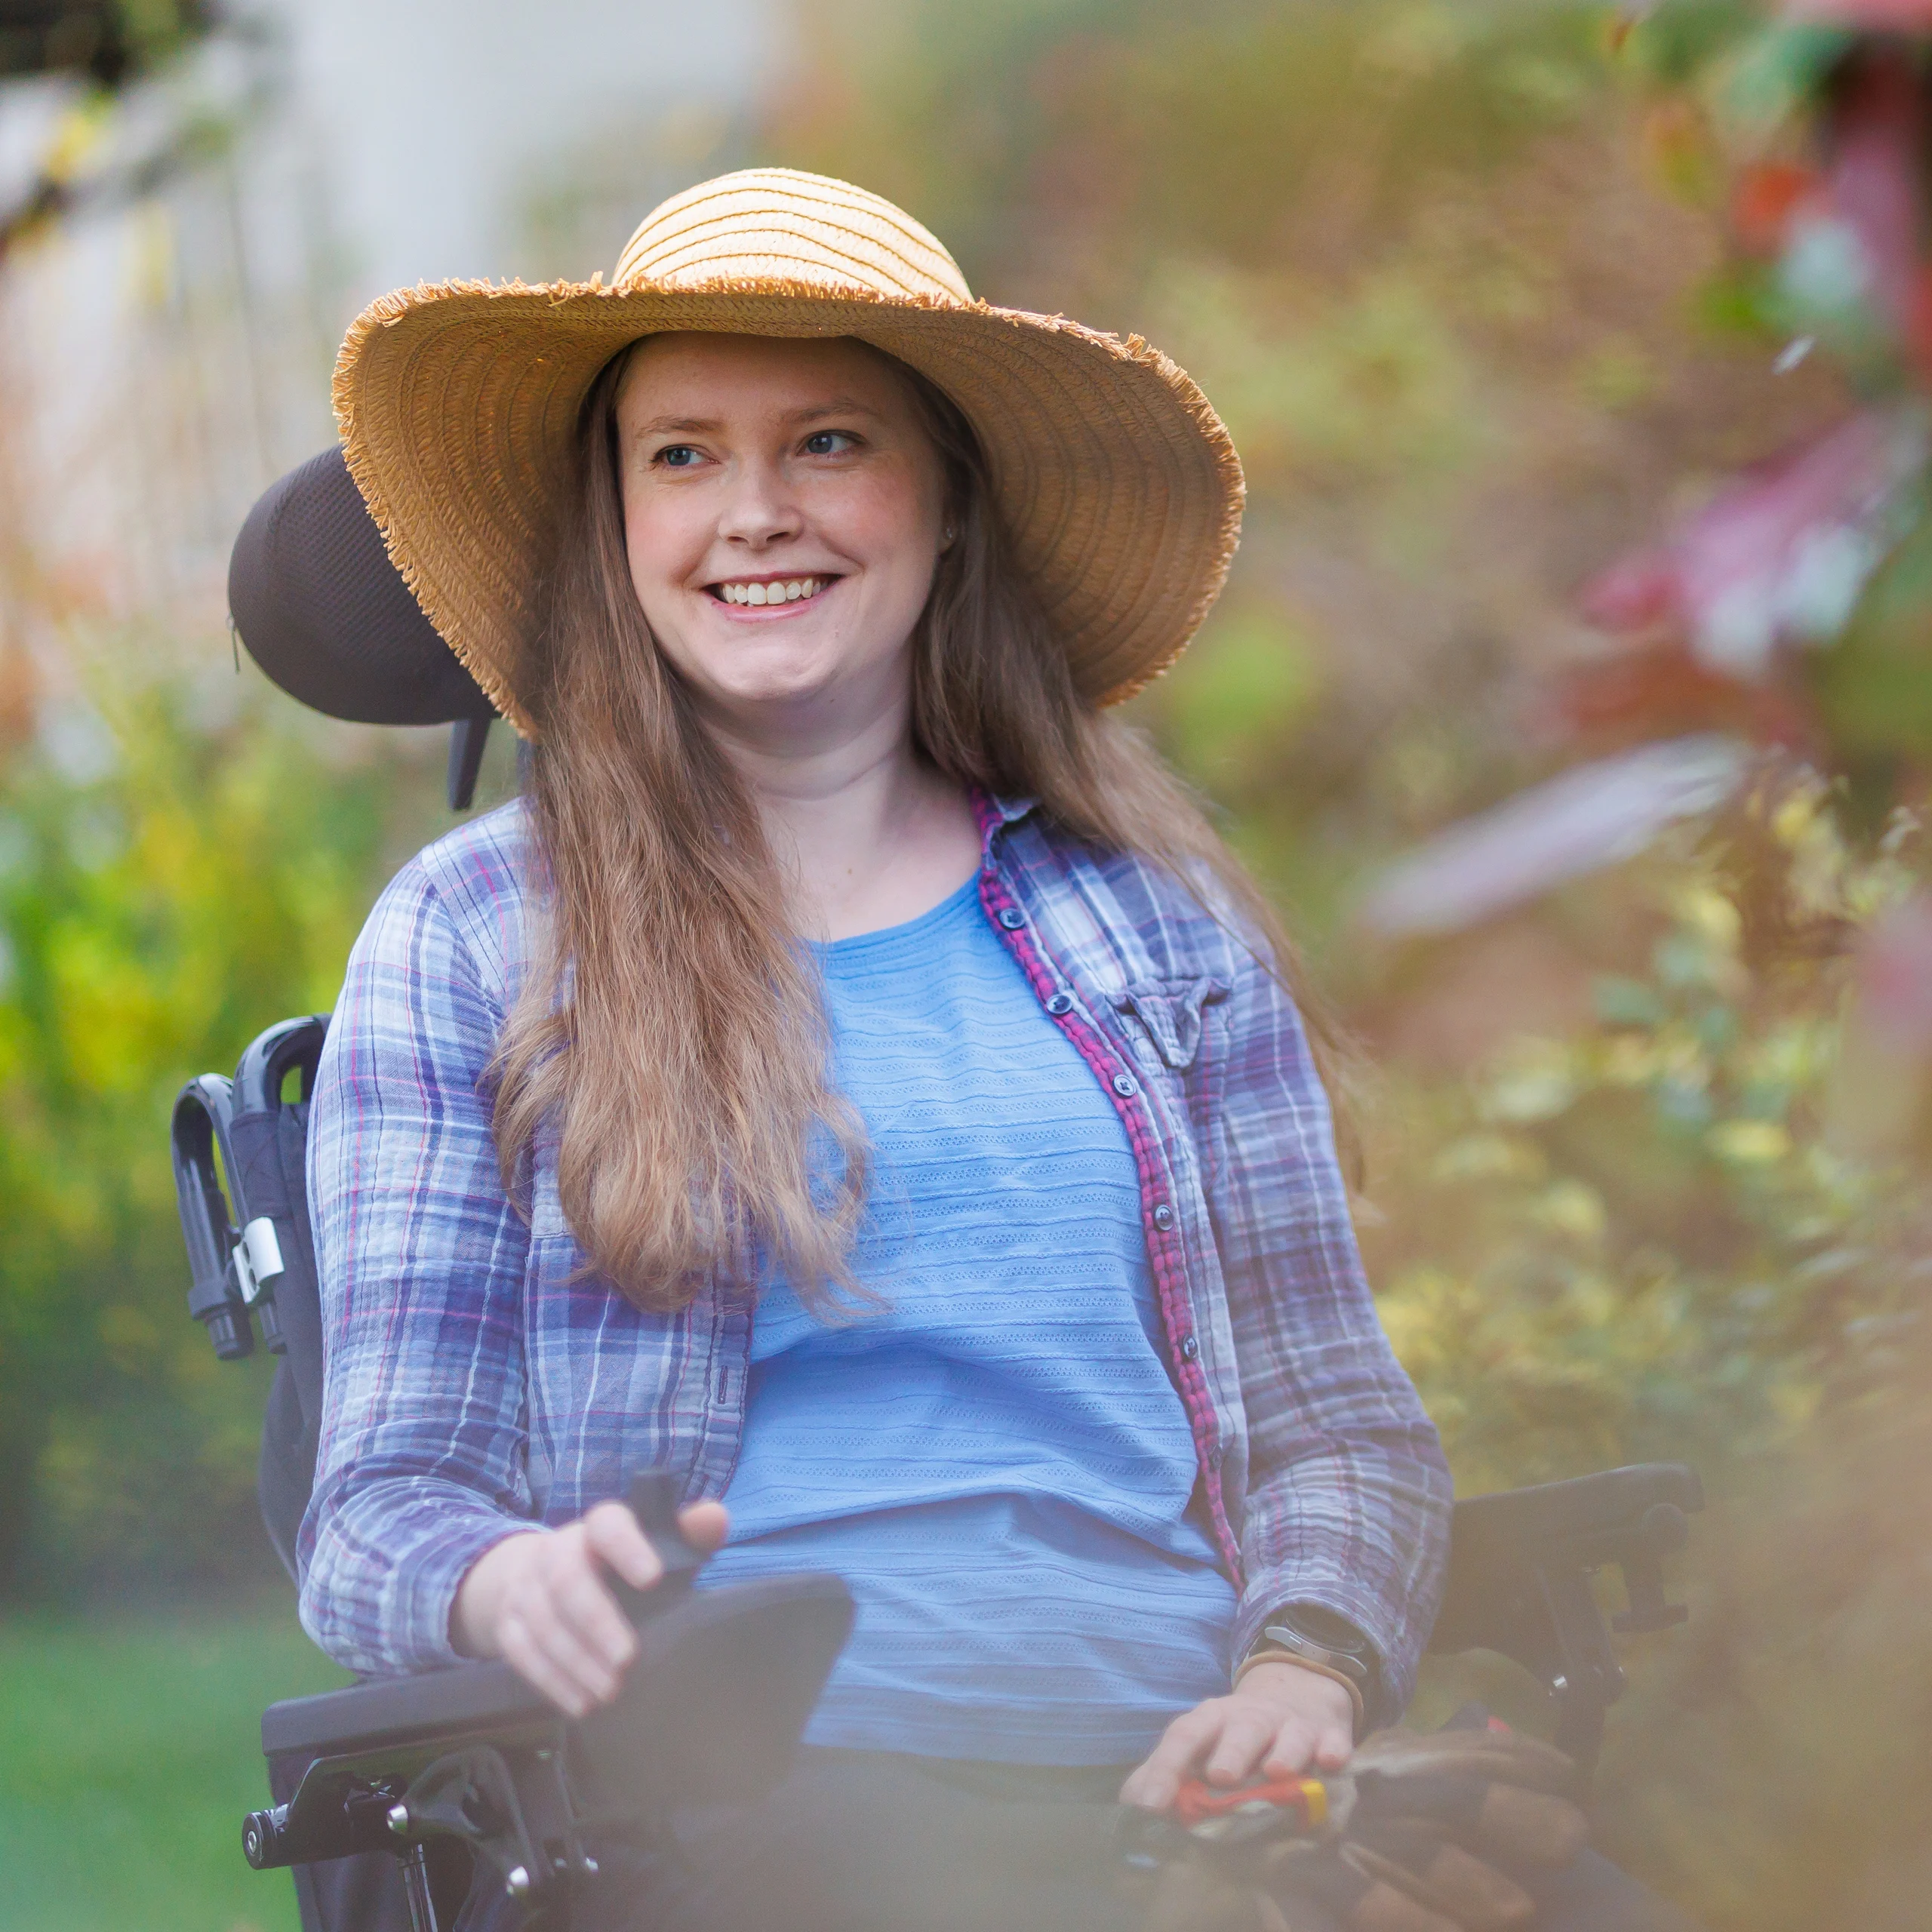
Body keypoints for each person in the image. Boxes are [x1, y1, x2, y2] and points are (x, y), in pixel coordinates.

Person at [300, 170, 1690, 1932]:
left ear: (946, 499)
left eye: (826, 441)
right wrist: (508, 1581)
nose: (752, 511)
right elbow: (376, 1514)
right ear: (608, 518)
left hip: (1191, 1791)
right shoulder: (477, 937)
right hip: (747, 1822)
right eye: (679, 453)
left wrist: (1306, 1673)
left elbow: (1344, 1429)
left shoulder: (1157, 925)